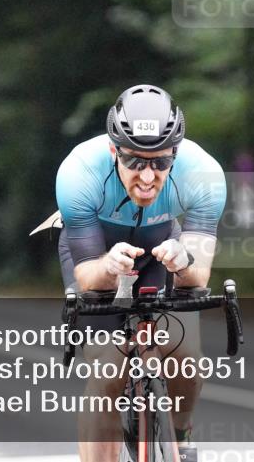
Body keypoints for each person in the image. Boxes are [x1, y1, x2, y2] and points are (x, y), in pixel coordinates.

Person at [55, 84, 225, 462]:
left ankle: (179, 435)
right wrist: (109, 266)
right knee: (107, 372)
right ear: (114, 150)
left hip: (163, 250)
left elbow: (197, 277)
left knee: (186, 360)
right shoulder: (79, 172)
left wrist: (183, 261)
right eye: (135, 162)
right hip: (98, 252)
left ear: (175, 155)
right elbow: (88, 277)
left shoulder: (203, 173)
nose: (148, 176)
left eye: (161, 162)